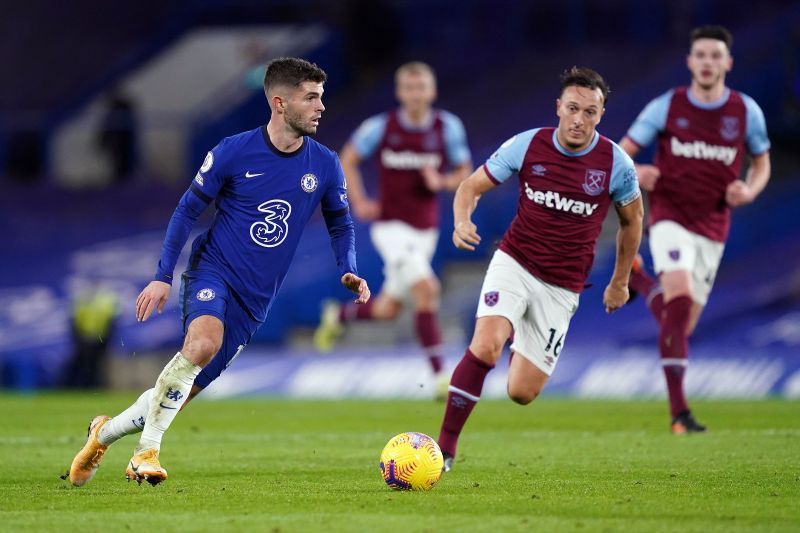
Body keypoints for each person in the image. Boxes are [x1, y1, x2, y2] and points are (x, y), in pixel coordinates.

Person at [66, 57, 371, 487]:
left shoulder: (324, 164)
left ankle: (104, 433)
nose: (321, 106)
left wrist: (349, 269)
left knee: (175, 395)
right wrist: (162, 275)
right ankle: (145, 454)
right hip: (214, 272)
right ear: (280, 103)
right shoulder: (233, 150)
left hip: (256, 299)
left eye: (321, 96)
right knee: (203, 344)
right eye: (311, 97)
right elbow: (187, 210)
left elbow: (341, 222)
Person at [437, 66, 643, 472]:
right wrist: (462, 221)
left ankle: (519, 332)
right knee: (485, 345)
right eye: (572, 108)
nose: (580, 119)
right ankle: (444, 449)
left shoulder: (616, 164)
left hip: (562, 287)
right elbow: (469, 187)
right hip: (514, 261)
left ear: (601, 115)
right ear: (558, 108)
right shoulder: (527, 145)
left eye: (590, 112)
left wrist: (620, 281)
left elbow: (633, 222)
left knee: (522, 392)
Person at [619, 26, 771, 434]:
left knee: (679, 325)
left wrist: (751, 189)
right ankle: (679, 413)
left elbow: (762, 163)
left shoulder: (745, 111)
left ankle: (640, 279)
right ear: (690, 62)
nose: (707, 62)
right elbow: (620, 153)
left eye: (714, 55)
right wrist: (639, 170)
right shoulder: (668, 106)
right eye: (700, 54)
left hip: (714, 225)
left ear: (727, 63)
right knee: (681, 302)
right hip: (670, 217)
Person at [312, 62, 472, 398]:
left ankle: (338, 314)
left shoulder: (448, 127)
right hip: (390, 228)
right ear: (400, 93)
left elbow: (464, 172)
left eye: (421, 87)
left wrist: (441, 181)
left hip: (425, 231)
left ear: (432, 91)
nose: (415, 94)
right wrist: (358, 200)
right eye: (409, 88)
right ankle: (441, 375)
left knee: (388, 309)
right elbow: (348, 158)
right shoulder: (381, 127)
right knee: (427, 287)